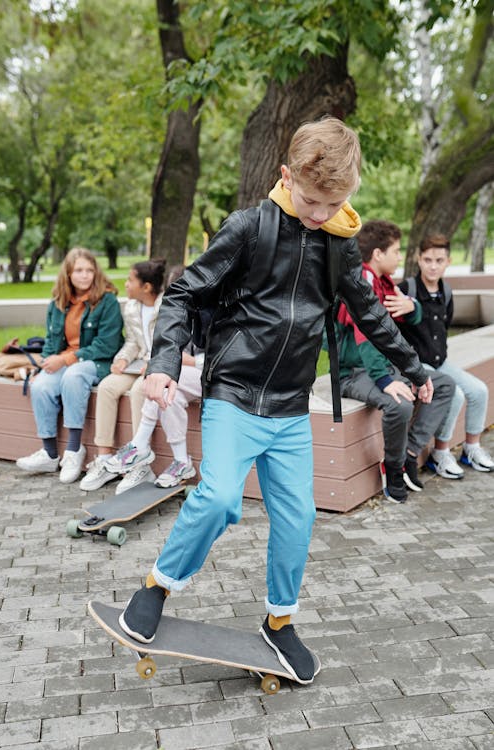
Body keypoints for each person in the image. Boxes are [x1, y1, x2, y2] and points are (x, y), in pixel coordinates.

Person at [117, 117, 434, 686]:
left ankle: (279, 620)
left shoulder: (339, 242)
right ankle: (157, 586)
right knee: (217, 500)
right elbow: (184, 294)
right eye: (311, 201)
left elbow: (368, 313)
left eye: (333, 202)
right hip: (234, 395)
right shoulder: (249, 228)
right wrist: (163, 363)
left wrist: (414, 367)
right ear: (286, 176)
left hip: (289, 405)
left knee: (298, 517)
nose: (319, 213)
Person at [337, 220, 455, 503]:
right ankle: (392, 467)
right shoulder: (360, 282)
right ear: (378, 254)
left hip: (382, 365)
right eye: (396, 251)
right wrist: (385, 380)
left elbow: (408, 318)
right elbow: (366, 332)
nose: (400, 257)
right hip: (353, 371)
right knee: (399, 404)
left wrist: (413, 306)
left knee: (443, 385)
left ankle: (409, 454)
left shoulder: (383, 281)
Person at [16, 247, 123, 484]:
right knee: (41, 385)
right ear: (68, 273)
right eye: (79, 270)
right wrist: (42, 366)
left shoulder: (107, 302)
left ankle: (74, 451)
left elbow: (106, 345)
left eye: (89, 270)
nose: (85, 275)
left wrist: (64, 360)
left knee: (74, 375)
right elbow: (51, 343)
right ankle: (50, 454)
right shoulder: (58, 303)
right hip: (66, 361)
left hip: (97, 362)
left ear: (96, 272)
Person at [99, 264, 203, 494]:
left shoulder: (210, 312)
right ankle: (182, 463)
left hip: (215, 377)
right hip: (186, 378)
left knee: (160, 376)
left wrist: (192, 362)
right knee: (167, 395)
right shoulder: (180, 314)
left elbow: (223, 356)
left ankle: (139, 444)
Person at [399, 234, 494, 477]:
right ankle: (440, 453)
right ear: (418, 259)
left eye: (439, 260)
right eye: (428, 259)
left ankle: (471, 448)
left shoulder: (447, 292)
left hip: (440, 362)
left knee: (479, 390)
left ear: (448, 261)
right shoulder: (405, 290)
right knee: (455, 393)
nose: (433, 265)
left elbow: (444, 327)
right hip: (416, 364)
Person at [79, 258, 166, 491]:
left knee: (140, 390)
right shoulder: (131, 307)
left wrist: (154, 363)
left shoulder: (167, 306)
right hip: (138, 363)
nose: (125, 284)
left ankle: (140, 462)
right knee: (107, 386)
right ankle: (105, 457)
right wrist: (122, 359)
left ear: (146, 287)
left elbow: (172, 343)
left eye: (130, 280)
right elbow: (132, 342)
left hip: (159, 366)